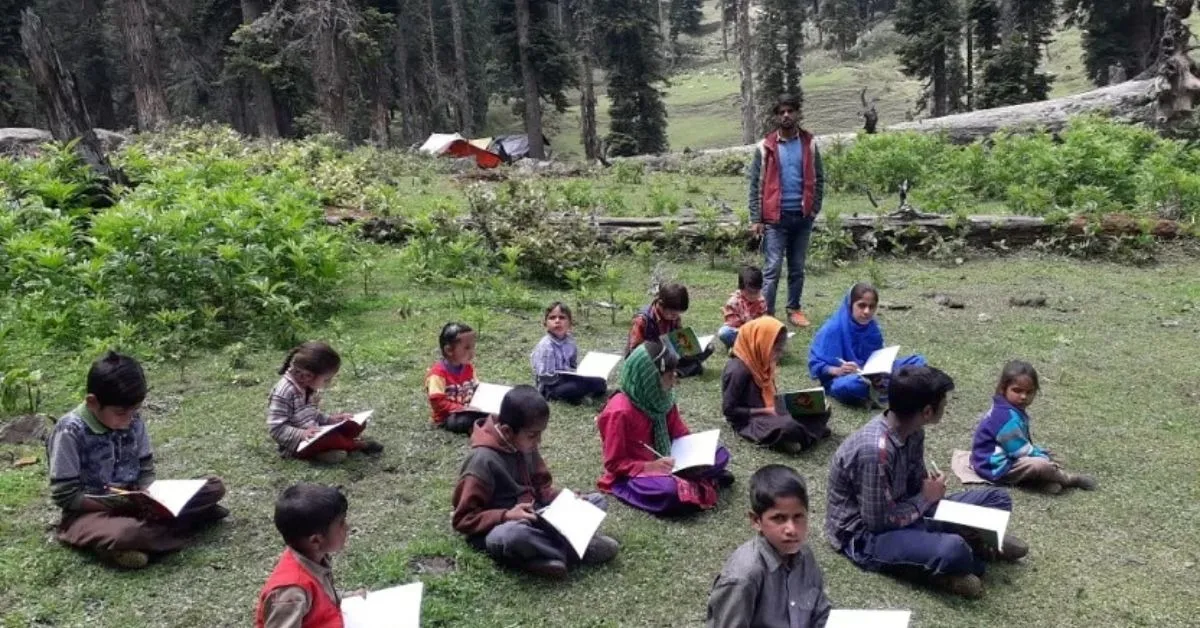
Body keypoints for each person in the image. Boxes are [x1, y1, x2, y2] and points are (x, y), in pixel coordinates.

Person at [825, 365, 1028, 598]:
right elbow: (877, 522)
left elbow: (915, 486)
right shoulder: (875, 451)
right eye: (944, 400)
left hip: (908, 510)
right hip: (866, 536)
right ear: (928, 411)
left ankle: (970, 547)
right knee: (954, 548)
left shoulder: (914, 430)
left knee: (997, 499)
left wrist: (928, 492)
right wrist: (926, 499)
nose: (946, 405)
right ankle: (962, 559)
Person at [47, 351, 227, 569]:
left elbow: (145, 468)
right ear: (93, 403)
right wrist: (120, 504)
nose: (130, 419)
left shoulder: (133, 420)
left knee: (213, 486)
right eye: (121, 412)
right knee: (127, 532)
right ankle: (140, 536)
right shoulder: (69, 430)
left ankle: (148, 533)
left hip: (137, 502)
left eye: (135, 411)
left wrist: (149, 496)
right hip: (89, 512)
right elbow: (65, 495)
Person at [452, 386, 619, 579]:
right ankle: (576, 550)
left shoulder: (524, 444)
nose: (538, 441)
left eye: (540, 434)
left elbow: (542, 488)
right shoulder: (482, 461)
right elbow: (463, 519)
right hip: (503, 527)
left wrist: (564, 499)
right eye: (533, 435)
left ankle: (545, 556)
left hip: (537, 515)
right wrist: (506, 515)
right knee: (514, 537)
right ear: (507, 432)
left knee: (596, 501)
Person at [596, 342, 733, 515]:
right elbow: (614, 463)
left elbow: (679, 432)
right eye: (669, 376)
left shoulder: (663, 397)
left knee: (720, 453)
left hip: (671, 459)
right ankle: (703, 481)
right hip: (637, 472)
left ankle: (694, 480)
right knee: (668, 492)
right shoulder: (619, 411)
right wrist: (649, 466)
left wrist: (694, 457)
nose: (674, 381)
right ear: (648, 378)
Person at [707, 465, 831, 628]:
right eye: (779, 518)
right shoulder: (744, 576)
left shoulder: (805, 556)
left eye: (798, 516)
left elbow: (820, 613)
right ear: (756, 521)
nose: (791, 529)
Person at [748, 93, 825, 328]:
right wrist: (756, 218)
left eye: (790, 111)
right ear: (776, 116)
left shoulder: (809, 144)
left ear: (797, 113)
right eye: (781, 112)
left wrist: (814, 209)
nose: (786, 115)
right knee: (772, 269)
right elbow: (755, 183)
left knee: (797, 267)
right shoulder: (765, 147)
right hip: (775, 219)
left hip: (802, 217)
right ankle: (767, 315)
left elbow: (819, 178)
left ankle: (794, 308)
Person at [971, 360, 1098, 494]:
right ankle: (1068, 479)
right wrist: (1042, 457)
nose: (1023, 396)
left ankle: (1043, 482)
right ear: (1003, 388)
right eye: (1017, 391)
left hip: (1004, 459)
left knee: (1043, 457)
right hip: (993, 467)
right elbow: (1020, 451)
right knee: (1040, 464)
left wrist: (1040, 453)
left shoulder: (1009, 408)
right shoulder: (1005, 417)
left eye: (1029, 392)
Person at [722, 317, 830, 454]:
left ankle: (804, 434)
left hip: (772, 409)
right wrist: (765, 411)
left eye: (780, 349)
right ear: (760, 343)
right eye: (775, 349)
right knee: (789, 426)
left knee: (822, 407)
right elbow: (729, 411)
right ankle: (807, 433)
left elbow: (771, 396)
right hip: (751, 419)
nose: (779, 354)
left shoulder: (761, 359)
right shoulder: (737, 370)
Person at [808, 283, 926, 407]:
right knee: (850, 386)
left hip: (873, 374)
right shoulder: (833, 328)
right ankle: (896, 389)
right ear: (850, 305)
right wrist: (838, 370)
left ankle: (885, 388)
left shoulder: (872, 327)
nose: (866, 311)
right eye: (861, 305)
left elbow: (877, 356)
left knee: (917, 361)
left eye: (872, 307)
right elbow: (816, 364)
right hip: (845, 378)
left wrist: (880, 370)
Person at [267, 342, 383, 462]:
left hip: (315, 431)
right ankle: (357, 445)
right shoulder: (284, 392)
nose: (328, 383)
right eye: (326, 379)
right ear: (306, 376)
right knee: (332, 440)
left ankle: (336, 446)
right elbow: (276, 428)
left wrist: (331, 419)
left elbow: (310, 414)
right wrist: (301, 433)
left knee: (357, 423)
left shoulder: (305, 386)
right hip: (298, 444)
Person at [255, 484, 352, 627]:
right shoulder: (291, 593)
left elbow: (319, 600)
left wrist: (346, 598)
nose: (347, 527)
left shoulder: (313, 558)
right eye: (341, 523)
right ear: (316, 540)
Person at [626, 283, 713, 378]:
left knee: (708, 348)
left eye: (677, 314)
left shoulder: (675, 318)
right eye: (672, 314)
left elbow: (679, 336)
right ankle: (680, 371)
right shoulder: (642, 320)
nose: (674, 317)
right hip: (650, 359)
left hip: (670, 354)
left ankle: (678, 371)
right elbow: (634, 351)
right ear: (660, 304)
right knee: (693, 365)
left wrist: (687, 345)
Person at [530, 302, 607, 404]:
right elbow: (545, 376)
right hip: (551, 386)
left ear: (570, 324)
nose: (557, 321)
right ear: (545, 324)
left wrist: (578, 374)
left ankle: (582, 393)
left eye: (562, 318)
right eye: (552, 318)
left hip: (568, 378)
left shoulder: (570, 342)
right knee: (574, 387)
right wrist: (569, 379)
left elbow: (572, 364)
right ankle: (576, 397)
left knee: (600, 382)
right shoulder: (546, 346)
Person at [426, 322, 485, 434]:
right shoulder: (437, 374)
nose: (472, 353)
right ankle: (477, 426)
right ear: (449, 350)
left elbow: (476, 387)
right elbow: (438, 403)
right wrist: (461, 408)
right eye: (467, 348)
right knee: (461, 421)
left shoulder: (468, 367)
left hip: (469, 409)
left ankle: (480, 423)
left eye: (473, 347)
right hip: (448, 416)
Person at [717, 266, 769, 349]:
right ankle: (744, 347)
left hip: (756, 333)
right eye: (750, 293)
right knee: (724, 332)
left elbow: (764, 319)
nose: (753, 296)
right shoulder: (733, 302)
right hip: (740, 332)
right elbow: (732, 326)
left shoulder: (761, 300)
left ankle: (752, 347)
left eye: (756, 292)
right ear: (741, 289)